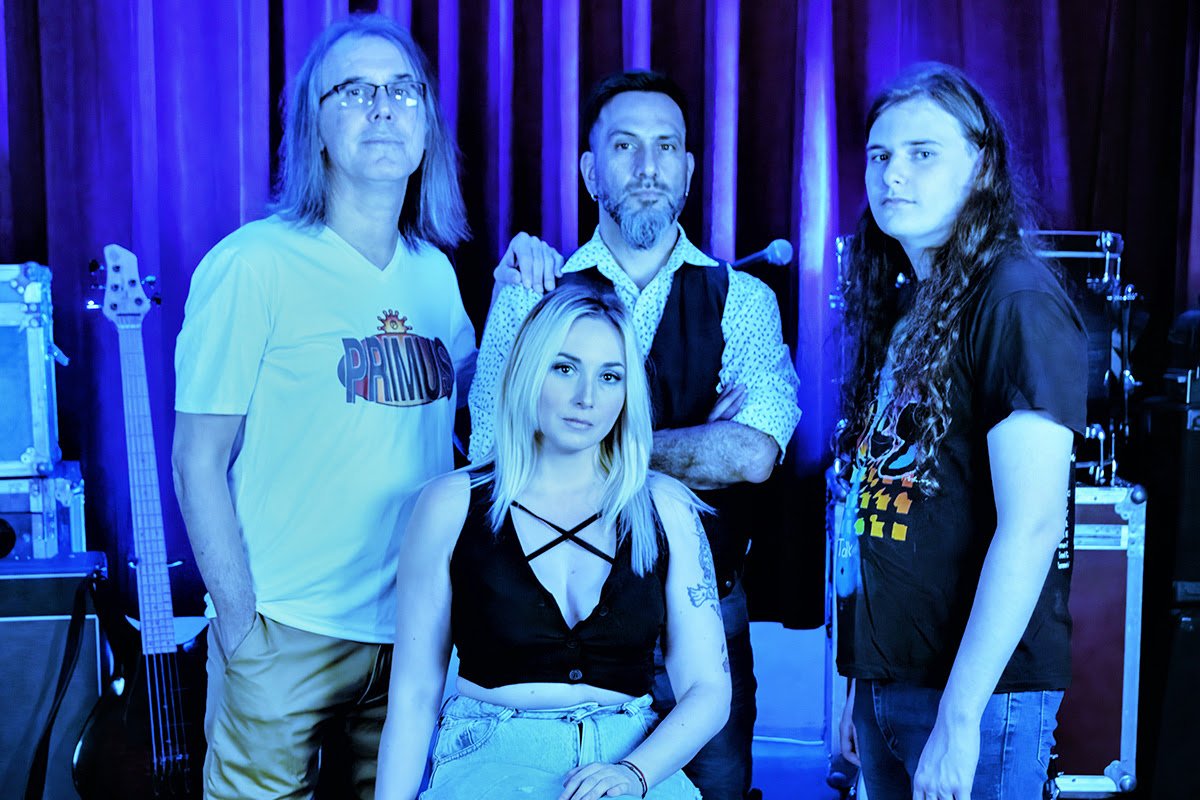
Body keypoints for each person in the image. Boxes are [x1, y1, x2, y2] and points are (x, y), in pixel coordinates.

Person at [172, 14, 558, 799]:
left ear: (426, 129)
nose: (383, 108)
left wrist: (514, 296)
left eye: (402, 91)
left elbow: (479, 417)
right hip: (286, 628)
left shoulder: (433, 274)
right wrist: (242, 625)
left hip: (410, 633)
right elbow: (196, 460)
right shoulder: (253, 265)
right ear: (312, 126)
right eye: (353, 91)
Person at [467, 70, 801, 800]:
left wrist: (570, 441)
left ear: (689, 170)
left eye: (666, 147)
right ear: (591, 172)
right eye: (625, 146)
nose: (648, 167)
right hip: (556, 624)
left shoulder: (744, 300)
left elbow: (751, 455)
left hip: (704, 624)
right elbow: (492, 455)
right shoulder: (533, 292)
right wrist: (697, 440)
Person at [834, 62, 1088, 800]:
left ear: (981, 167)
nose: (893, 174)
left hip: (979, 696)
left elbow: (1032, 526)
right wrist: (861, 684)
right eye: (880, 155)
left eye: (923, 153)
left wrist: (960, 715)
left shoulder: (1015, 300)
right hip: (893, 683)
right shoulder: (909, 306)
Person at [377, 285, 730, 799]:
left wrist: (634, 773)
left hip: (632, 761)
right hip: (491, 757)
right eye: (565, 368)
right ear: (528, 371)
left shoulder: (666, 509)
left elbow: (708, 688)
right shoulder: (450, 506)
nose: (587, 397)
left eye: (610, 377)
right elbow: (413, 695)